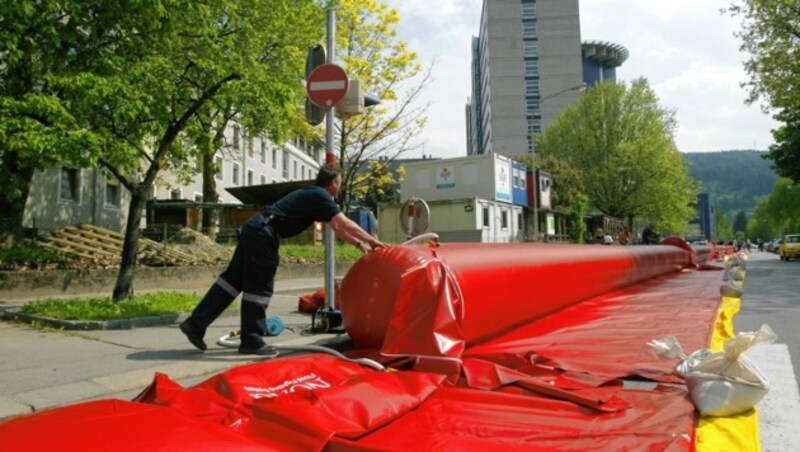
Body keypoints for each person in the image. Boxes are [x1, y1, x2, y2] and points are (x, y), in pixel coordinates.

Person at [180, 164, 386, 356]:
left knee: (231, 282)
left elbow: (337, 227)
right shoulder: (321, 196)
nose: (339, 188)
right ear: (333, 182)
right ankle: (252, 340)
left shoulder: (314, 196)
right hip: (264, 233)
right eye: (339, 183)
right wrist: (371, 240)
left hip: (255, 228)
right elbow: (344, 222)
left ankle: (195, 324)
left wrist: (360, 245)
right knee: (259, 288)